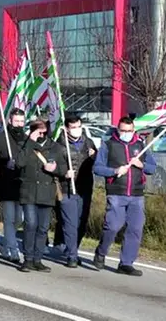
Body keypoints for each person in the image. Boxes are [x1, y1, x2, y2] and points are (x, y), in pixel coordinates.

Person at [92, 116, 157, 276]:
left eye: (129, 131)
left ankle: (126, 263)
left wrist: (141, 164)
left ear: (134, 130)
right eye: (123, 130)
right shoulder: (108, 145)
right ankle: (101, 252)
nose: (126, 133)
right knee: (113, 226)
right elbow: (97, 168)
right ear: (118, 130)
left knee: (135, 228)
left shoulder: (141, 145)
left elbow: (152, 168)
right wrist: (114, 171)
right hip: (116, 192)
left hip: (137, 194)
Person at [16, 119, 68, 273]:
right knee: (30, 224)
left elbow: (64, 169)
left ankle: (38, 259)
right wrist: (30, 142)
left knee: (43, 227)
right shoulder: (25, 145)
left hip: (47, 192)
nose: (41, 133)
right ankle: (28, 259)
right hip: (29, 191)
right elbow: (19, 163)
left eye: (43, 130)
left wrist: (55, 168)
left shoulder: (56, 147)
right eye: (37, 130)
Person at [59, 115, 97, 268]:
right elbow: (54, 163)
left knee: (81, 222)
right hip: (66, 188)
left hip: (84, 187)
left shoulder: (88, 142)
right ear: (67, 128)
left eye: (78, 126)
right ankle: (72, 256)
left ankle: (71, 247)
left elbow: (97, 161)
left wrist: (95, 156)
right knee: (70, 223)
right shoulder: (60, 145)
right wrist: (64, 172)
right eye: (73, 127)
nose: (77, 130)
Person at [0, 108, 27, 262]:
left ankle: (5, 244)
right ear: (10, 121)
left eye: (21, 121)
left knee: (20, 218)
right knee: (9, 219)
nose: (19, 124)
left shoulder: (25, 139)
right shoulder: (1, 138)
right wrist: (4, 164)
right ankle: (13, 250)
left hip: (23, 185)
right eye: (16, 121)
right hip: (7, 184)